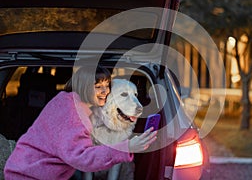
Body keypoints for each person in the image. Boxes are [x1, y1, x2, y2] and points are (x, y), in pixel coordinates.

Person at [4, 65, 157, 180]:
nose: (105, 92)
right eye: (98, 87)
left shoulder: (69, 102)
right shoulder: (71, 112)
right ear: (84, 87)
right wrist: (126, 148)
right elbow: (83, 157)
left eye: (106, 86)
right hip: (28, 175)